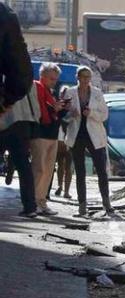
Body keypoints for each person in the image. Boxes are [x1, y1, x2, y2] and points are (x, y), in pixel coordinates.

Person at [0, 1, 38, 217]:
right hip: (14, 122)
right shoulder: (4, 14)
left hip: (13, 123)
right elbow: (21, 74)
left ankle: (31, 205)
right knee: (23, 164)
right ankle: (30, 206)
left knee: (23, 164)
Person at [65, 66, 113, 217]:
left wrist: (91, 113)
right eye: (82, 76)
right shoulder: (70, 92)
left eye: (88, 77)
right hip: (77, 135)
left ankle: (107, 203)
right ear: (77, 77)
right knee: (80, 172)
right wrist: (70, 113)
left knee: (101, 171)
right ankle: (82, 206)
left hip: (95, 135)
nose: (85, 79)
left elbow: (104, 115)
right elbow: (63, 115)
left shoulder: (97, 93)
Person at [30, 62, 68, 216]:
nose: (54, 81)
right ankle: (33, 202)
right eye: (52, 78)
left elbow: (52, 113)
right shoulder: (37, 87)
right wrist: (54, 108)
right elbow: (39, 110)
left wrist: (60, 109)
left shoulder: (49, 91)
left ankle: (42, 201)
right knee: (39, 169)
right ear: (42, 76)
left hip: (52, 134)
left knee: (47, 171)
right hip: (40, 133)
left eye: (56, 79)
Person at [54, 86, 73, 199]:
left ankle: (66, 191)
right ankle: (60, 186)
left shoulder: (73, 106)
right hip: (59, 138)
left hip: (70, 138)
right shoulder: (58, 105)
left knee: (68, 166)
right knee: (60, 164)